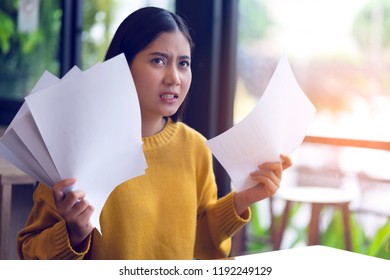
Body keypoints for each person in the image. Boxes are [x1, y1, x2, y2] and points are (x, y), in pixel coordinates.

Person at [16, 6, 292, 260]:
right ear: (121, 66)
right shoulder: (75, 144)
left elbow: (201, 242)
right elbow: (29, 253)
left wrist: (244, 196)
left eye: (183, 63)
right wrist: (73, 234)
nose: (175, 77)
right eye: (159, 61)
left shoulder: (194, 147)